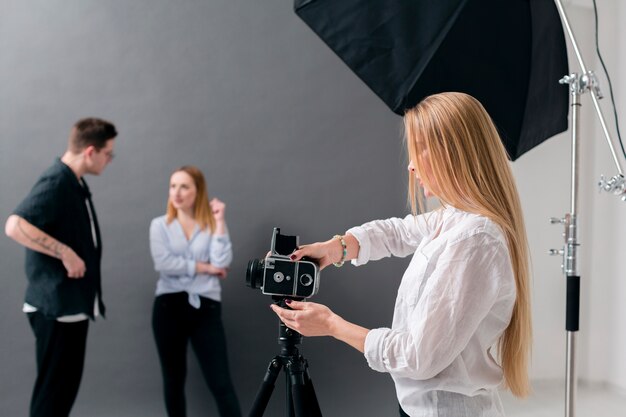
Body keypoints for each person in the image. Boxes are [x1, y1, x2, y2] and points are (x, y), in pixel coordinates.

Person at [271, 92, 532, 417]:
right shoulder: (453, 218)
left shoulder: (475, 240)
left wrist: (332, 325)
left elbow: (417, 356)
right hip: (421, 406)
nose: (411, 164)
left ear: (452, 153)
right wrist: (337, 247)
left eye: (421, 148)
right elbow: (398, 232)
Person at [4, 118, 118, 417]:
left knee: (60, 394)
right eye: (109, 154)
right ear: (90, 151)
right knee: (53, 397)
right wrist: (65, 252)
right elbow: (14, 225)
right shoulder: (57, 181)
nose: (109, 160)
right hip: (56, 308)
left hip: (68, 307)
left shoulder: (73, 182)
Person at [149, 166, 241, 417]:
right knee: (174, 381)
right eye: (173, 186)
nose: (176, 193)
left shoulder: (211, 225)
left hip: (206, 308)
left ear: (197, 191)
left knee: (221, 382)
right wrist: (205, 267)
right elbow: (163, 263)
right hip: (168, 308)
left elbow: (222, 262)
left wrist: (220, 221)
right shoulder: (159, 225)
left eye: (184, 186)